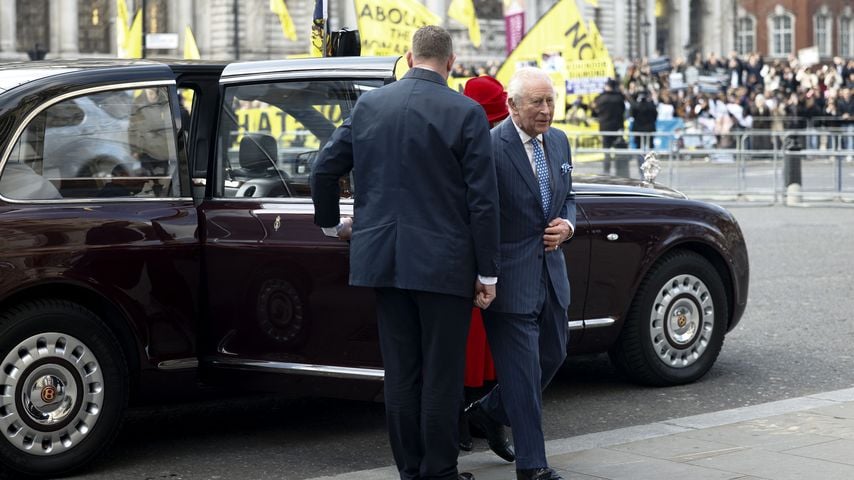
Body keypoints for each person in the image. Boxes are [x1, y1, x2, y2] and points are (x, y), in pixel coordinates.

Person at [311, 25, 500, 480]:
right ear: (451, 63)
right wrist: (488, 274)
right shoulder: (466, 112)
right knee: (441, 374)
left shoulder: (370, 105)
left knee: (400, 375)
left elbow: (323, 169)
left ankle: (410, 470)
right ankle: (439, 471)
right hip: (445, 265)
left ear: (410, 58)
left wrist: (333, 224)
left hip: (383, 260)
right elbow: (483, 201)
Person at [465, 67, 575, 480]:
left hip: (552, 275)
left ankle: (490, 410)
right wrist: (484, 276)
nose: (546, 110)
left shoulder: (560, 141)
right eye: (537, 103)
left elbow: (569, 198)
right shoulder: (491, 148)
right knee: (525, 376)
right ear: (512, 105)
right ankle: (533, 466)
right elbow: (479, 216)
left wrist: (568, 225)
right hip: (509, 280)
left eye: (550, 101)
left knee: (554, 353)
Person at [459, 75, 509, 451]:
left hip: (490, 257)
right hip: (474, 258)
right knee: (474, 343)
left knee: (483, 344)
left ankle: (476, 416)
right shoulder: (476, 143)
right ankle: (470, 417)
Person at [592, 78, 626, 174]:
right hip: (617, 128)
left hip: (605, 128)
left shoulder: (600, 98)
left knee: (606, 151)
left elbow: (595, 112)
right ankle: (619, 171)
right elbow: (623, 111)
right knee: (618, 151)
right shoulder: (619, 98)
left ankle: (606, 170)